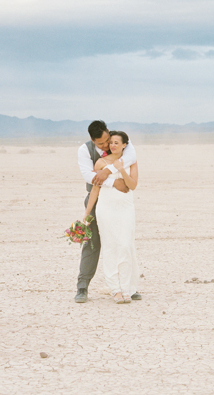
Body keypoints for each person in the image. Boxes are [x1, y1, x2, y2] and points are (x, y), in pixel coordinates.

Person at [75, 120, 140, 303]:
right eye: (101, 143)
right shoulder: (85, 150)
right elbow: (89, 176)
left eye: (107, 140)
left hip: (123, 203)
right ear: (92, 140)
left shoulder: (122, 143)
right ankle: (83, 286)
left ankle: (129, 287)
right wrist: (114, 182)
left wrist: (110, 170)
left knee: (126, 243)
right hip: (99, 199)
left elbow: (131, 158)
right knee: (93, 242)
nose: (106, 145)